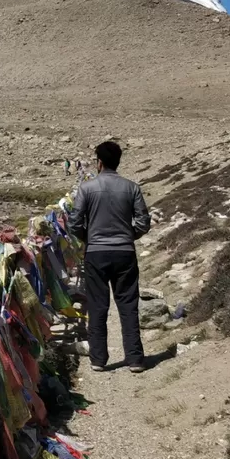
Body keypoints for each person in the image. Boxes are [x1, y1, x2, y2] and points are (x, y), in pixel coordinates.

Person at [67, 141, 151, 373]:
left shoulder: (87, 188)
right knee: (128, 305)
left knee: (97, 305)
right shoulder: (132, 188)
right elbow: (144, 222)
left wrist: (89, 238)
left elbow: (74, 222)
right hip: (125, 253)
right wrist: (128, 236)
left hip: (96, 253)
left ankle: (98, 359)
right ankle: (134, 359)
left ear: (99, 162)